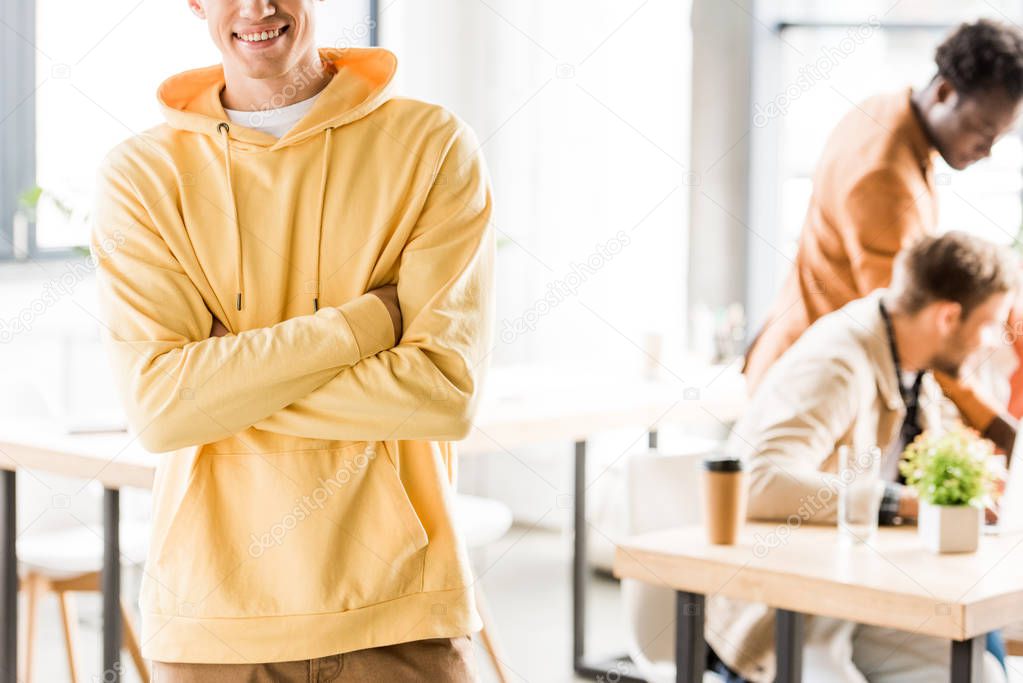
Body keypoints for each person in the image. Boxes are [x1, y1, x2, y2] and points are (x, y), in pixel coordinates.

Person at [91, 0, 494, 680]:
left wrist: (223, 376)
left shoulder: (430, 145)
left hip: (399, 608)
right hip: (210, 619)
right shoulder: (141, 175)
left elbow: (444, 391)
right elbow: (160, 409)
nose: (257, 7)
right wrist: (368, 323)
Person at [707, 232, 1017, 682]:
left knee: (980, 669)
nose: (992, 342)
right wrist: (900, 503)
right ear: (949, 316)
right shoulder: (838, 362)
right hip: (794, 612)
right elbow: (759, 482)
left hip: (857, 590)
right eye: (990, 325)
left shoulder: (910, 359)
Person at [743, 19, 1023, 454]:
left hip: (820, 372)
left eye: (999, 138)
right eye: (984, 131)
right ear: (946, 92)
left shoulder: (891, 110)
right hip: (817, 388)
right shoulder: (883, 177)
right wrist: (996, 427)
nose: (987, 152)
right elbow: (916, 326)